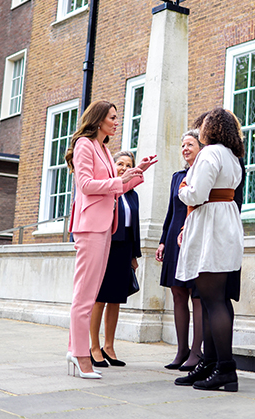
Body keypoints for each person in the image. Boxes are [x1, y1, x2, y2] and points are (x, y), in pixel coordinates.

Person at [63, 100, 157, 379]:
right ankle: (81, 355)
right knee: (85, 295)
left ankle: (74, 349)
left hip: (106, 226)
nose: (117, 122)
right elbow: (87, 186)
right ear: (99, 119)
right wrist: (120, 179)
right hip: (90, 226)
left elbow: (114, 191)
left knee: (90, 293)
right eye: (113, 118)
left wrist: (137, 172)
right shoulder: (84, 145)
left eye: (117, 118)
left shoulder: (104, 148)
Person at [174, 108, 245, 392]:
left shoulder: (210, 153)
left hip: (211, 227)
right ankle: (212, 363)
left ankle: (225, 369)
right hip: (226, 224)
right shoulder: (231, 155)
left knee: (213, 301)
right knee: (218, 299)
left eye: (202, 125)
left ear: (211, 128)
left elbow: (196, 193)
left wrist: (182, 189)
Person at [88, 150, 142, 369]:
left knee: (116, 299)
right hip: (106, 246)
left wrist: (134, 255)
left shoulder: (133, 194)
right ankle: (93, 347)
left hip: (124, 248)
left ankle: (109, 347)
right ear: (112, 166)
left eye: (129, 165)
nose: (124, 168)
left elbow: (135, 227)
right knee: (100, 297)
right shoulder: (108, 189)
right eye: (120, 164)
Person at [156, 130, 204, 371]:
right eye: (182, 145)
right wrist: (163, 240)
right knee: (177, 293)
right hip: (175, 235)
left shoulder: (204, 172)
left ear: (201, 147)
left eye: (190, 144)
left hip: (195, 234)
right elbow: (171, 211)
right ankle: (181, 349)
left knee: (197, 295)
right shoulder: (177, 177)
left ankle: (197, 352)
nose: (185, 148)